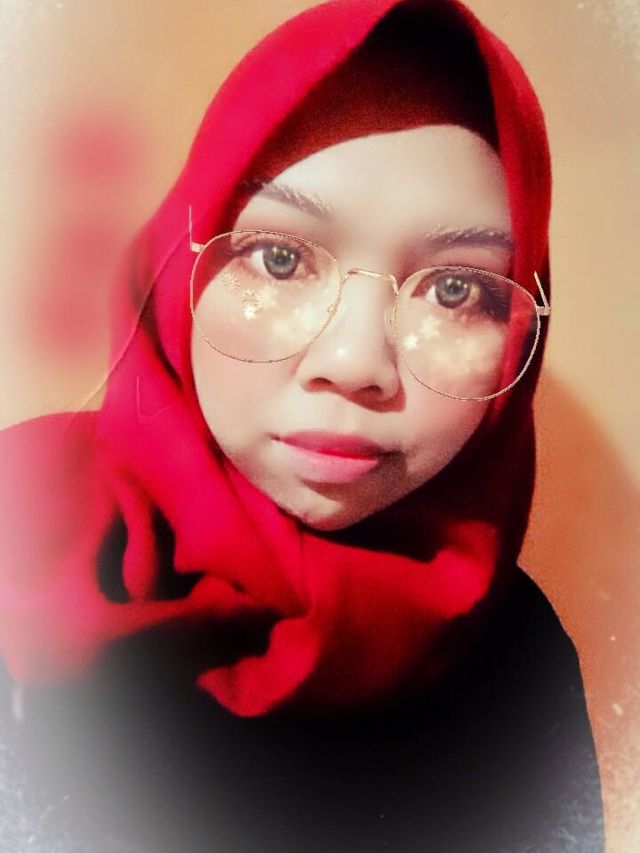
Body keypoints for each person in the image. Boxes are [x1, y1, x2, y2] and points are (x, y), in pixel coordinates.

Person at [0, 0, 605, 850]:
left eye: (457, 289)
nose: (355, 362)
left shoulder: (518, 660)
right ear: (177, 269)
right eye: (280, 258)